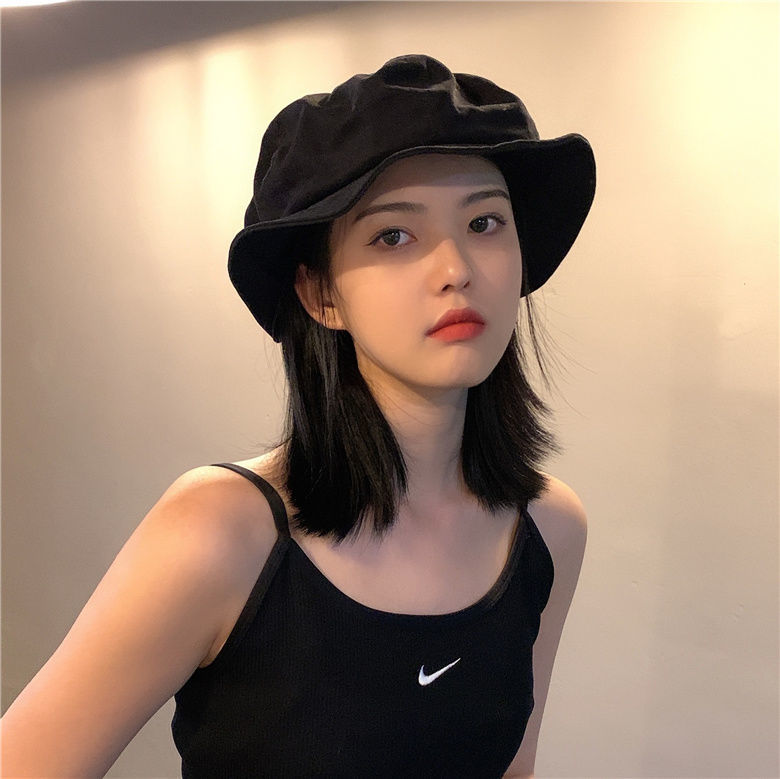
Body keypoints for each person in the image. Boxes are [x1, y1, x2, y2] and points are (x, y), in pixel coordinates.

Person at [1, 54, 595, 777]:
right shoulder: (224, 530)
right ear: (321, 296)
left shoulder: (548, 530)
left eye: (485, 221)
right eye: (394, 236)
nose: (457, 269)